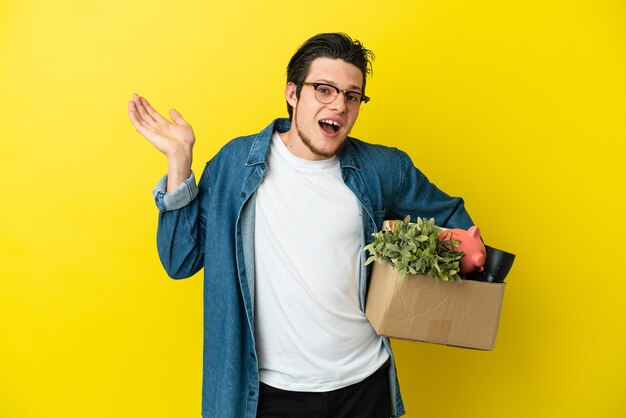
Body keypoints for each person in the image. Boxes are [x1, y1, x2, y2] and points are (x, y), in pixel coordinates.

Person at [128, 33, 474, 418]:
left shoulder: (382, 168)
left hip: (366, 385)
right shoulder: (234, 165)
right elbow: (180, 260)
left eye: (352, 95)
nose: (339, 106)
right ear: (293, 93)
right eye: (324, 90)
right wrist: (179, 164)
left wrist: (428, 266)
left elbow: (456, 224)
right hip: (271, 395)